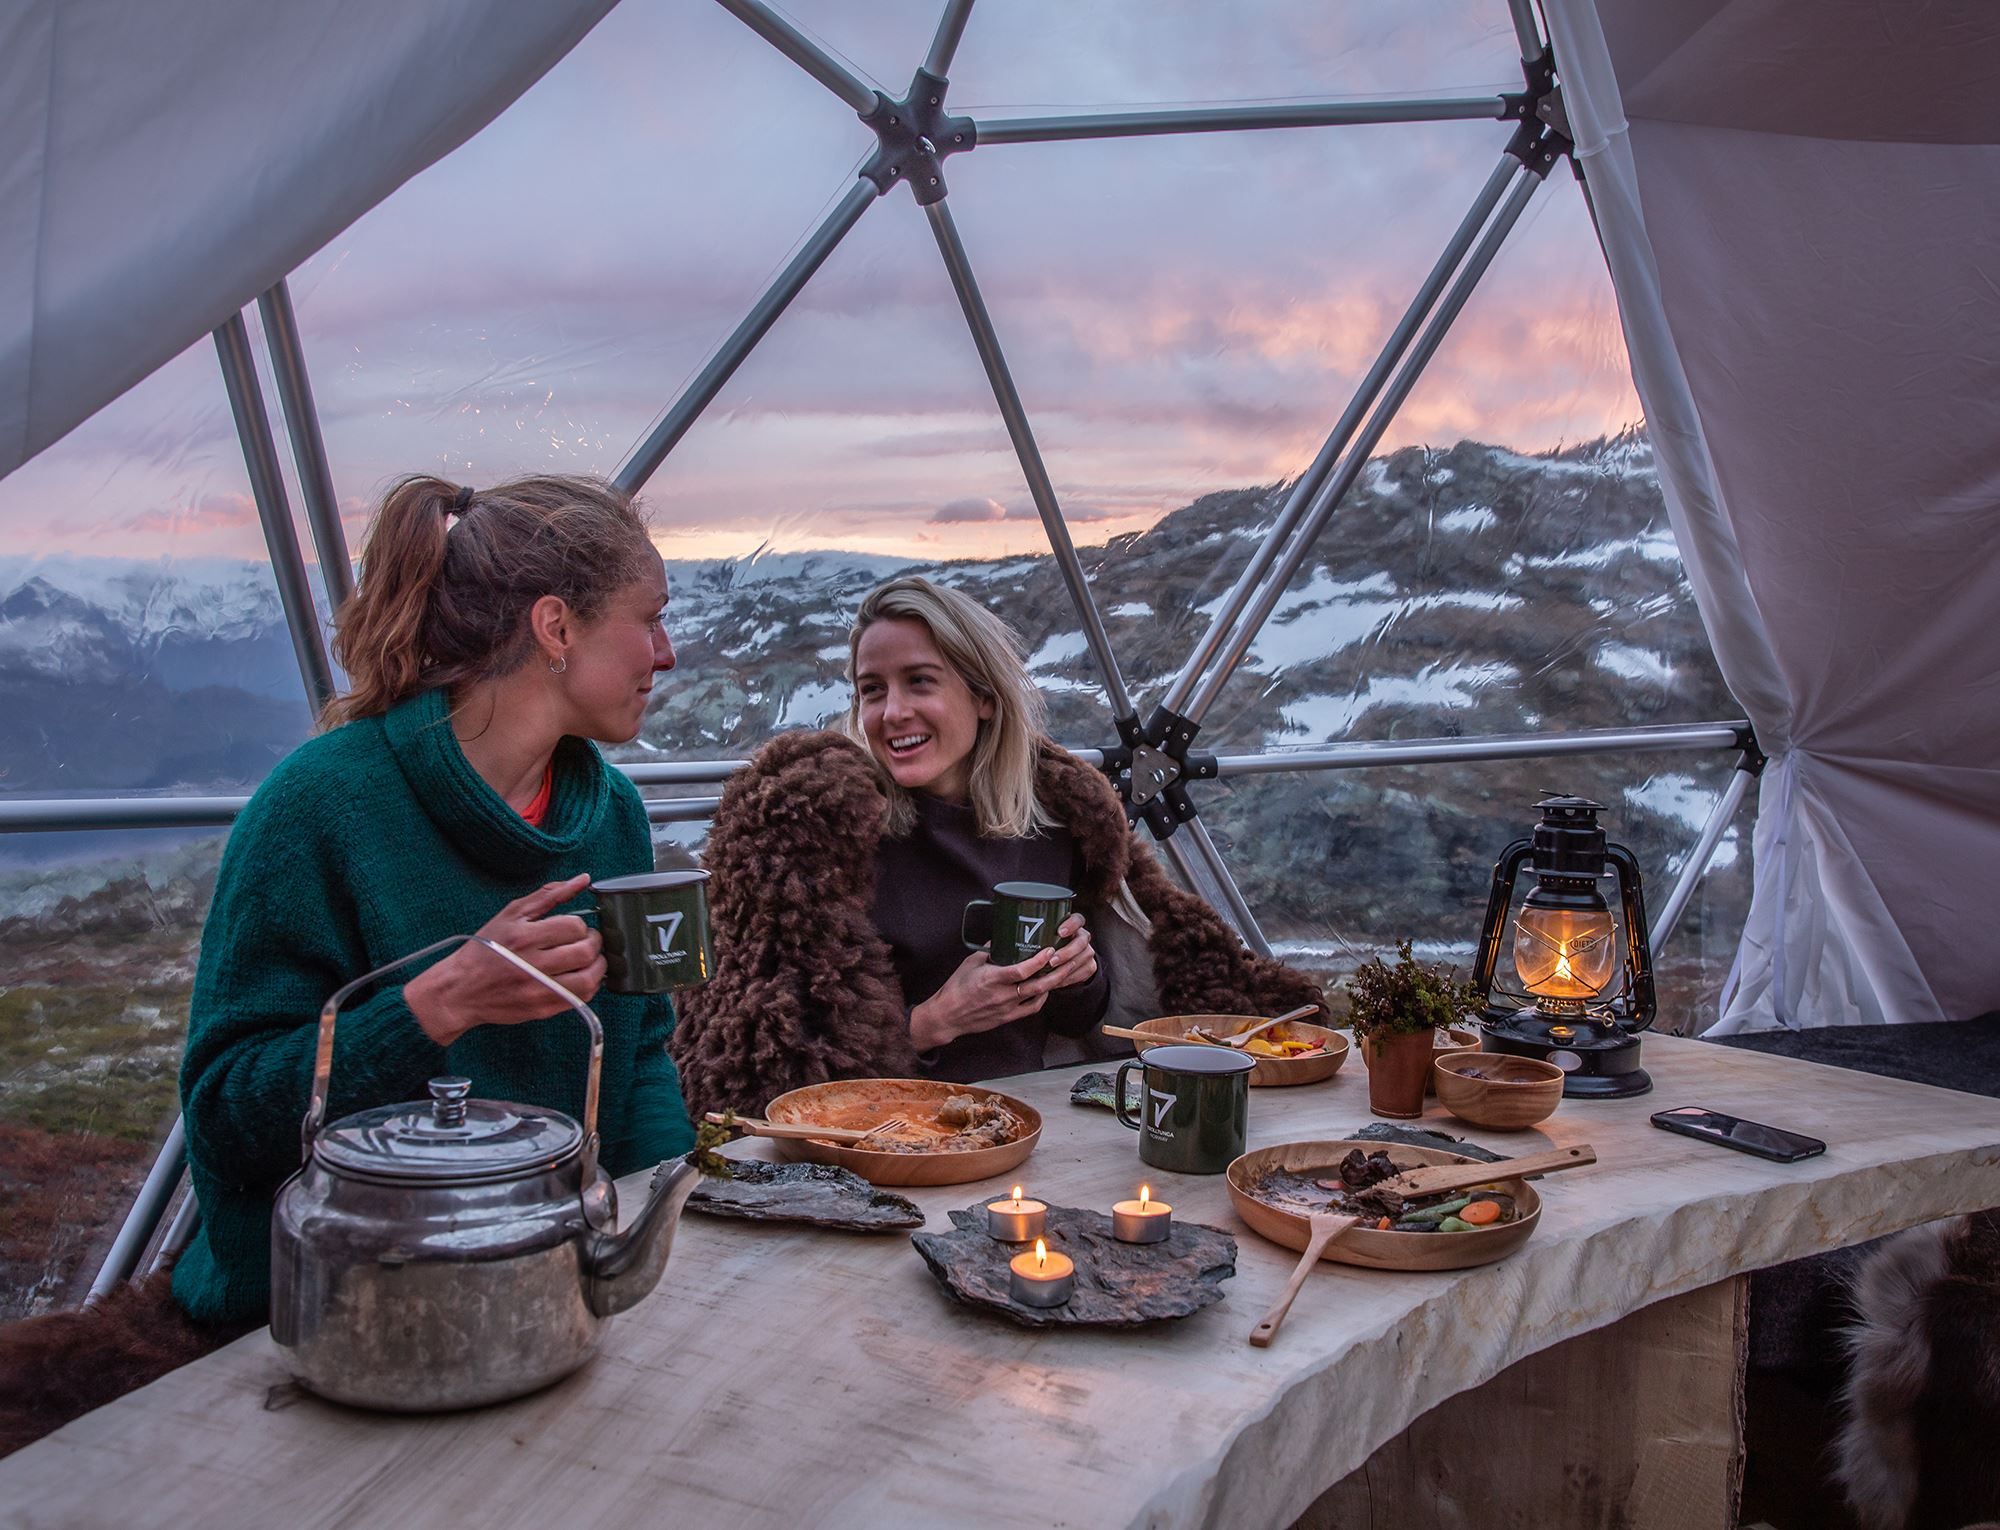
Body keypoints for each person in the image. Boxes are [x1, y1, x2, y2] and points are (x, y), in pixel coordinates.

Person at [169, 474, 695, 1330]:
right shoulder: (320, 810)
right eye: (651, 617)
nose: (666, 652)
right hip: (326, 1316)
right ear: (557, 627)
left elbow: (638, 1059)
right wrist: (438, 1004)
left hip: (539, 1293)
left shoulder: (612, 818)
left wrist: (674, 1239)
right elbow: (228, 1119)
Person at [672, 575, 1322, 1117]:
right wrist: (932, 1022)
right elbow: (768, 1072)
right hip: (887, 1137)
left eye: (920, 682)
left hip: (1030, 1124)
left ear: (983, 697)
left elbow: (1083, 1020)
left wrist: (1081, 974)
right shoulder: (830, 838)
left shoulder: (1054, 824)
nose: (892, 712)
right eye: (873, 690)